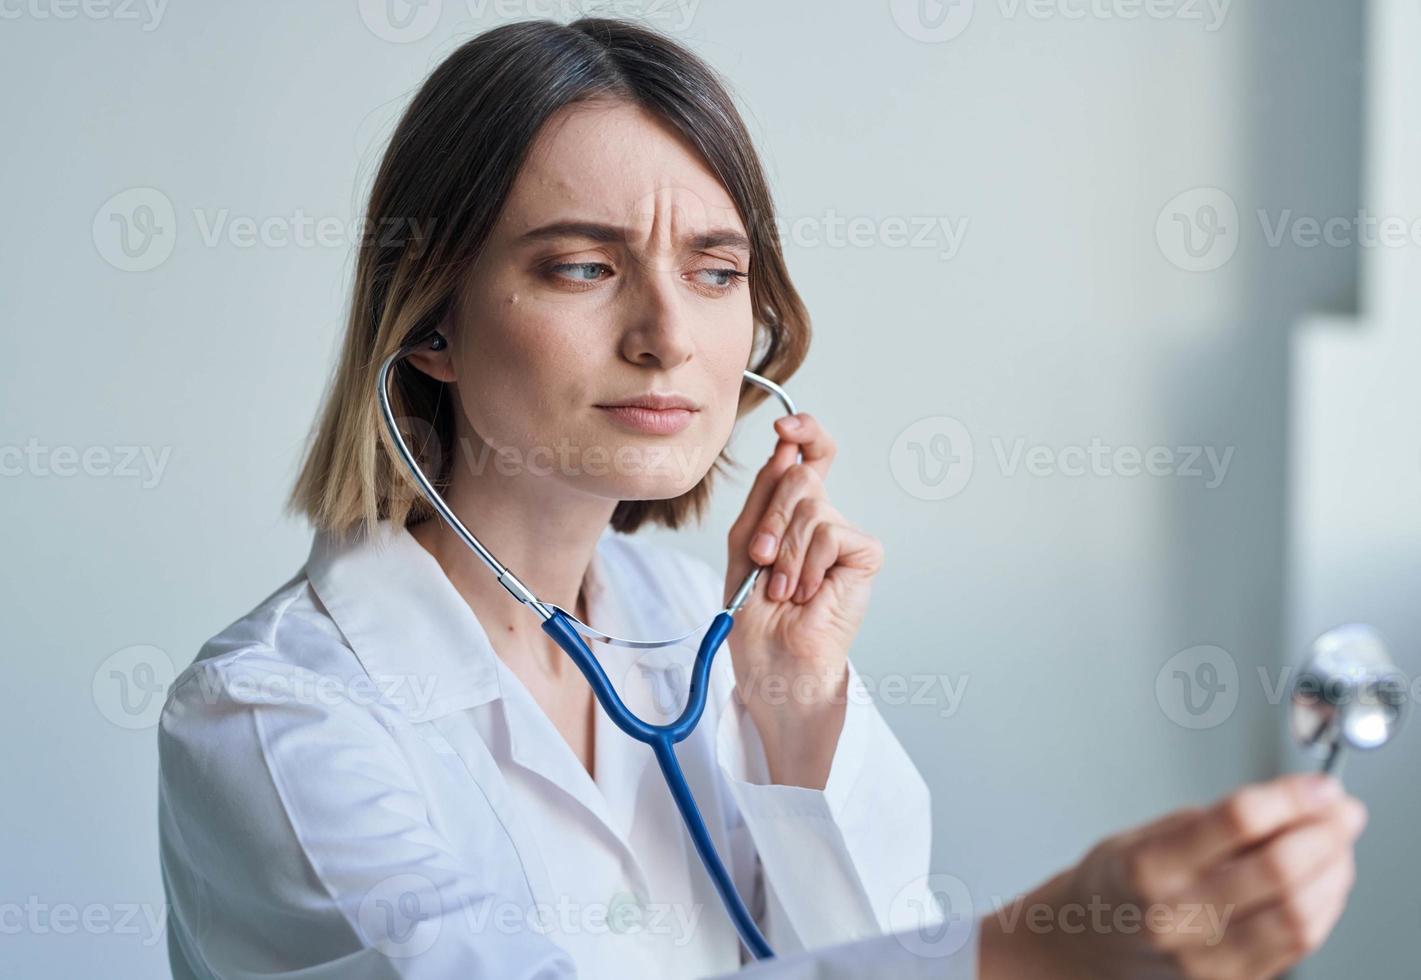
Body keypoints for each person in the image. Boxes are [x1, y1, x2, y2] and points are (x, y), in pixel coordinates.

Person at [156, 17, 1366, 980]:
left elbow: (869, 939)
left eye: (715, 269)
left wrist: (794, 718)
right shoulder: (279, 713)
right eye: (581, 266)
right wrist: (1039, 948)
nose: (666, 335)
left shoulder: (711, 631)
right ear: (429, 323)